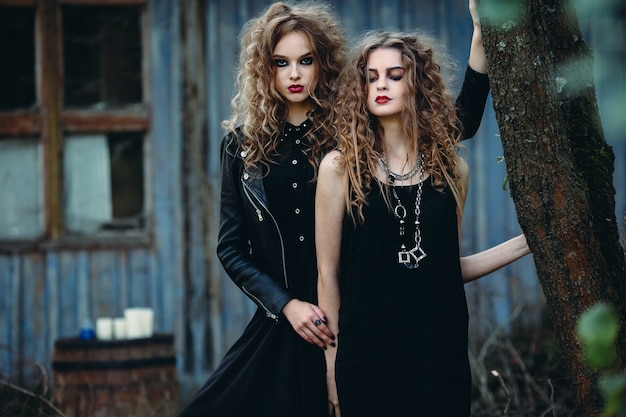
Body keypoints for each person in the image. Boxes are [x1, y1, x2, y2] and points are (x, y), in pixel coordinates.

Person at [178, 1, 492, 416]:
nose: (294, 74)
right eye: (280, 62)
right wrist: (285, 304)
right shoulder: (243, 146)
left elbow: (454, 122)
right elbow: (231, 248)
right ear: (263, 68)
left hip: (353, 316)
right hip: (286, 317)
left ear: (323, 62)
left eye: (305, 60)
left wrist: (479, 36)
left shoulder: (349, 129)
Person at [314, 29, 531, 417]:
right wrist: (331, 364)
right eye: (371, 76)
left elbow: (444, 268)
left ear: (418, 84)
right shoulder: (339, 167)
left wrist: (526, 243)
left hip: (437, 349)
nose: (381, 85)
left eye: (395, 75)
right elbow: (327, 275)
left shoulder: (452, 172)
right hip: (365, 351)